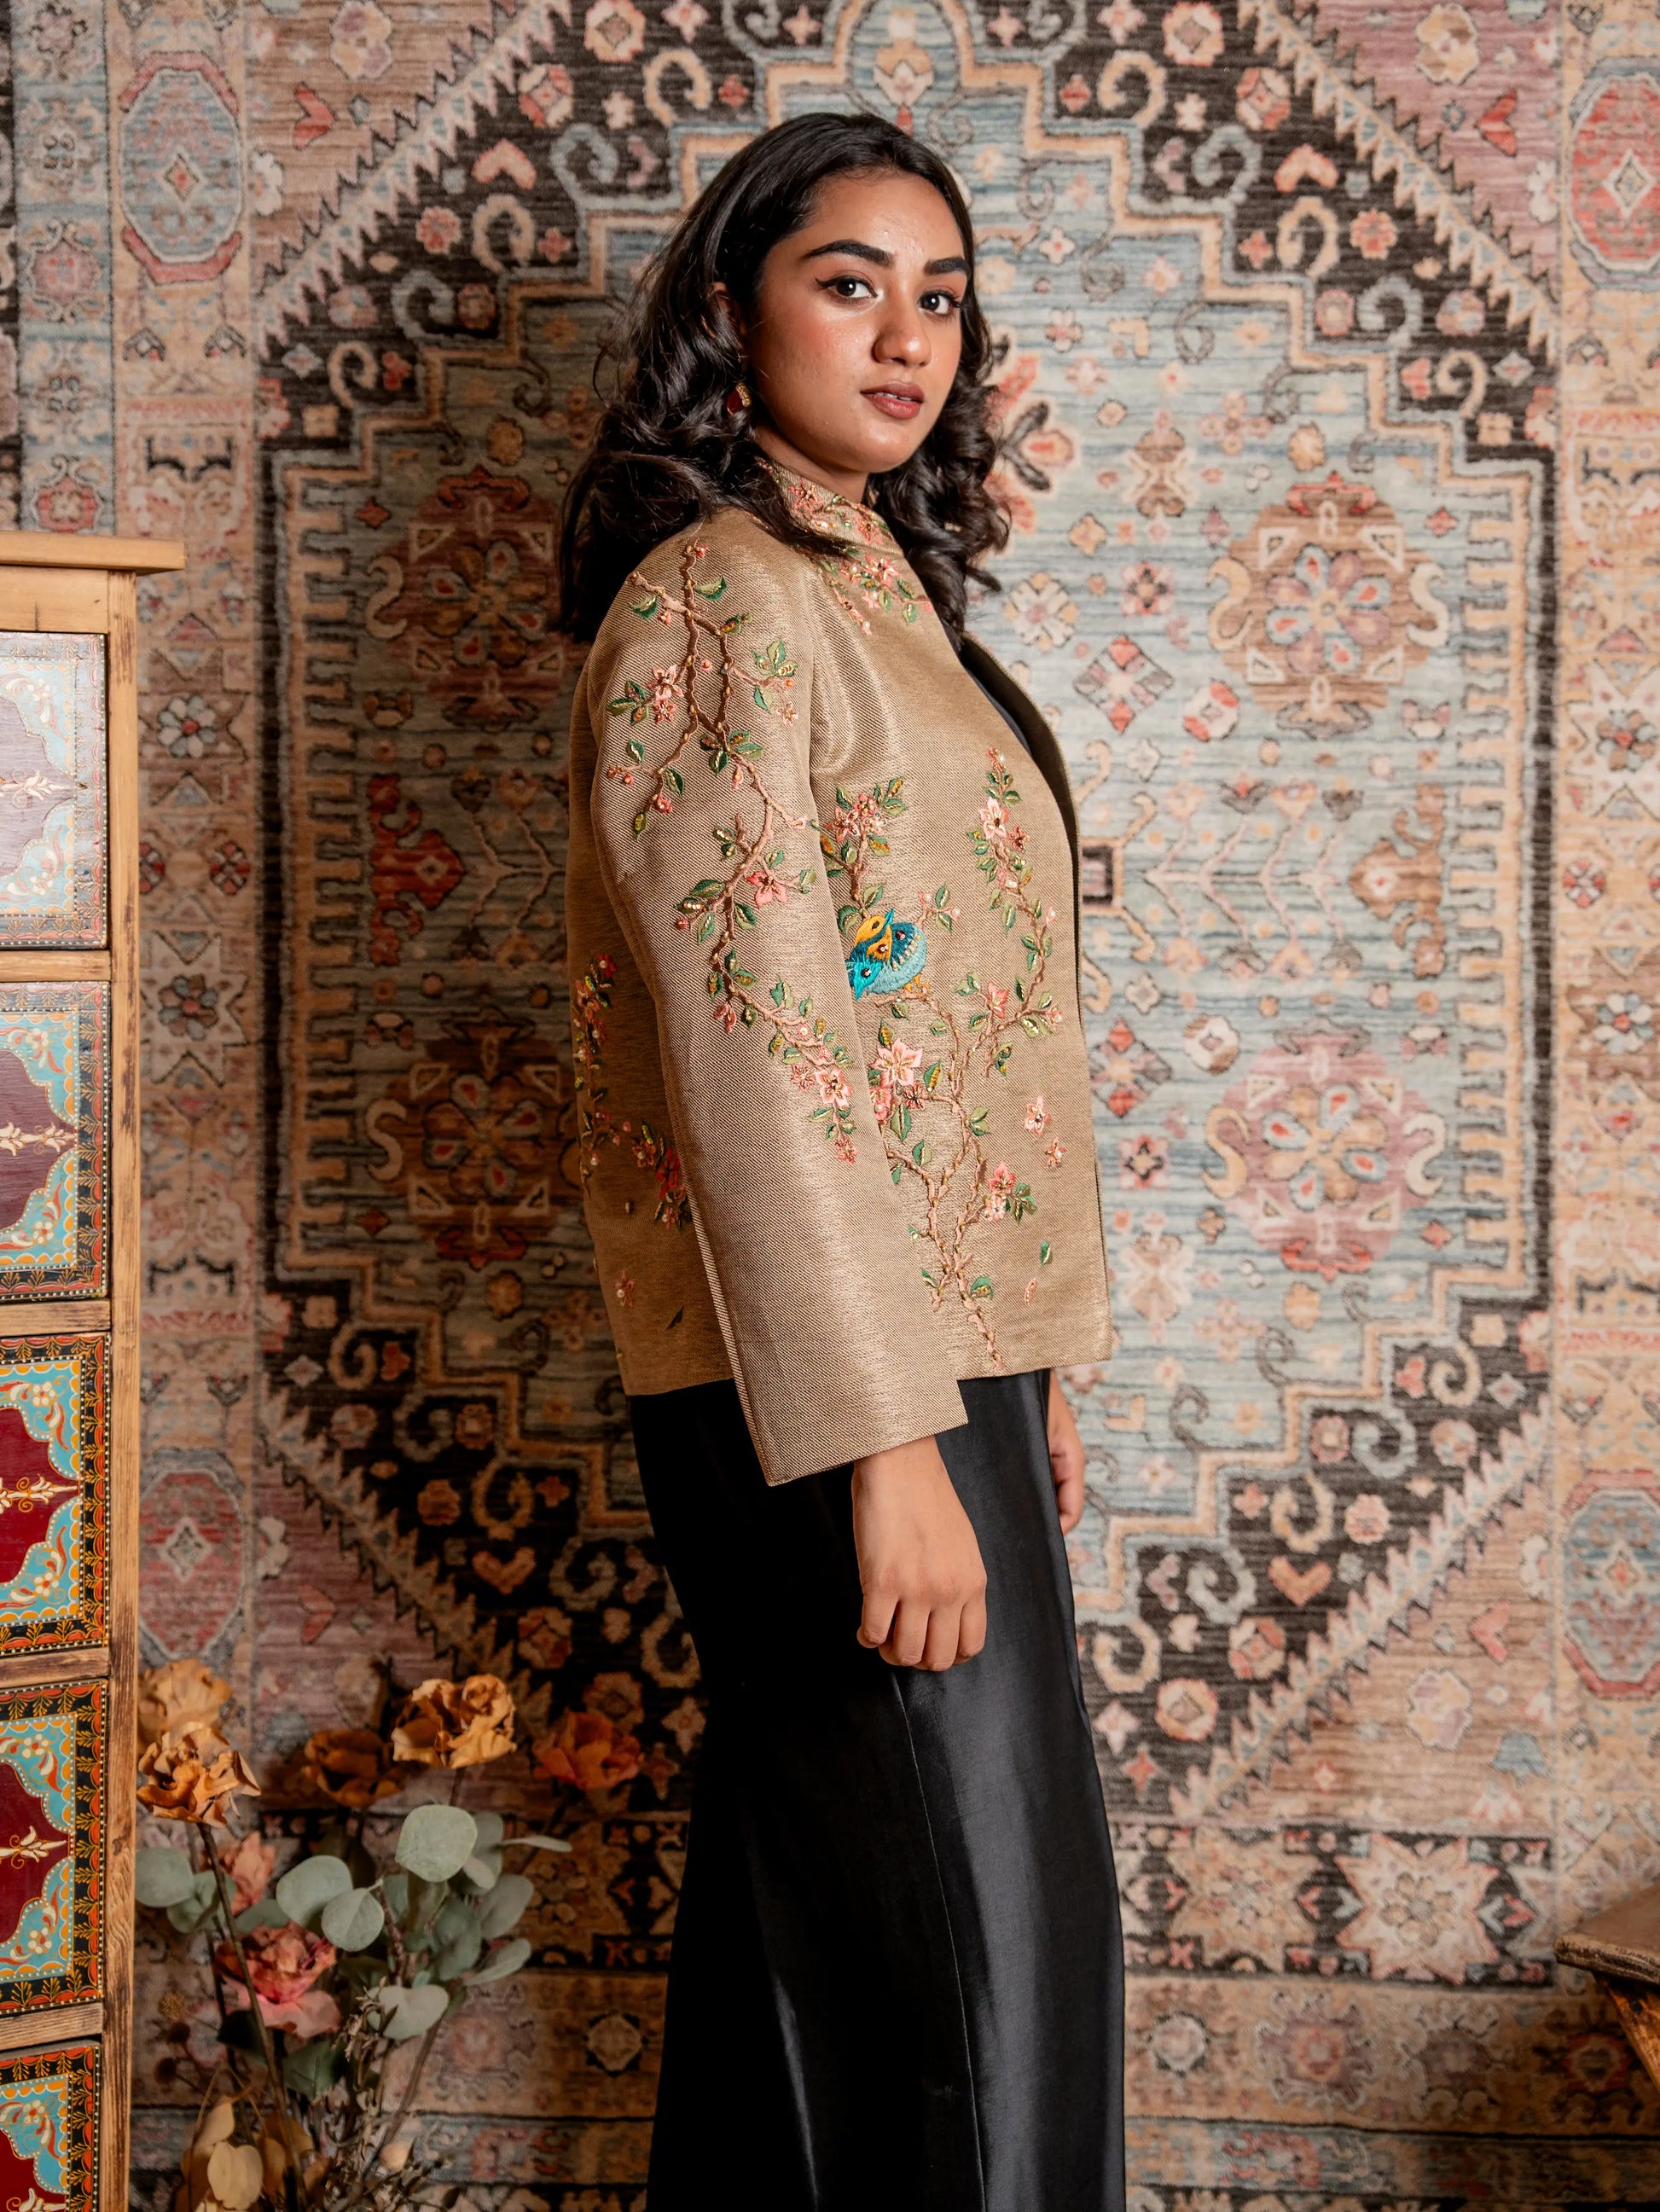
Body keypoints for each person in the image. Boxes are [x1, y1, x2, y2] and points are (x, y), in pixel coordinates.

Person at [559, 111, 1123, 2212]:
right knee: (982, 1987)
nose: (907, 338)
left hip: (939, 1363)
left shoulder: (867, 587)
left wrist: (1027, 1376)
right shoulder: (717, 603)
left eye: (942, 296)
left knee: (825, 1977)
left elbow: (948, 1011)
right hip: (826, 1383)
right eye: (849, 283)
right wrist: (891, 1442)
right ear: (735, 313)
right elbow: (762, 1062)